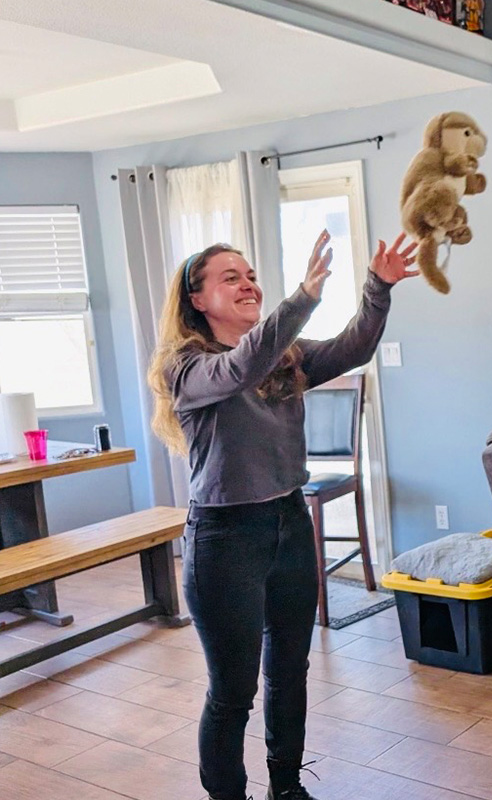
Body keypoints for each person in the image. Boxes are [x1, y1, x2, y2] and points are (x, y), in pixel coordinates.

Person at [148, 230, 419, 800]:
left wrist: (378, 288)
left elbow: (352, 349)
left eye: (251, 276)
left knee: (290, 671)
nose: (248, 284)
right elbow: (239, 370)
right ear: (197, 299)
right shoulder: (187, 367)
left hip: (291, 525)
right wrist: (303, 299)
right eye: (231, 278)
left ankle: (287, 787)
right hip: (225, 540)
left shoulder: (284, 355)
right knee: (233, 691)